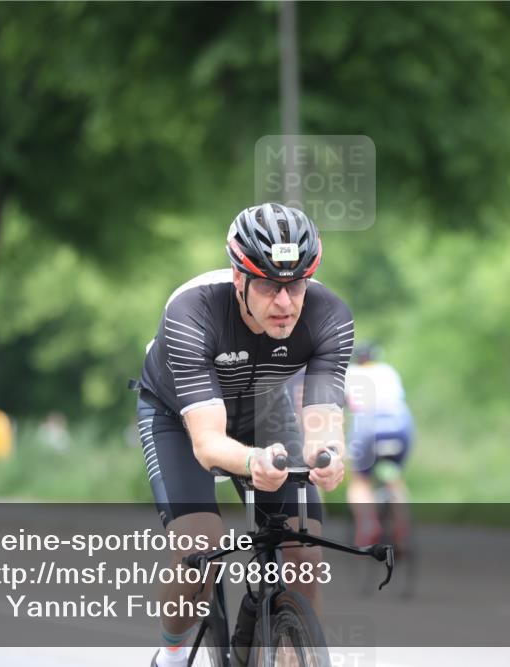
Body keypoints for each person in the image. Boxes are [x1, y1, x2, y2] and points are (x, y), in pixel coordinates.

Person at [133, 203, 354, 667]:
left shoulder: (329, 315)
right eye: (270, 286)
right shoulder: (192, 310)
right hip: (179, 417)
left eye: (295, 285)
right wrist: (253, 463)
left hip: (264, 409)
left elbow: (321, 419)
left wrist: (328, 455)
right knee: (201, 547)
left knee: (303, 553)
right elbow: (208, 444)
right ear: (240, 280)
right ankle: (171, 656)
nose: (284, 303)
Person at [343, 343, 415, 547]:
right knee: (395, 478)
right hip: (401, 425)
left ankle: (368, 525)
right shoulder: (388, 371)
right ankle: (402, 525)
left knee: (360, 481)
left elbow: (343, 405)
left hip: (368, 428)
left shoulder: (351, 373)